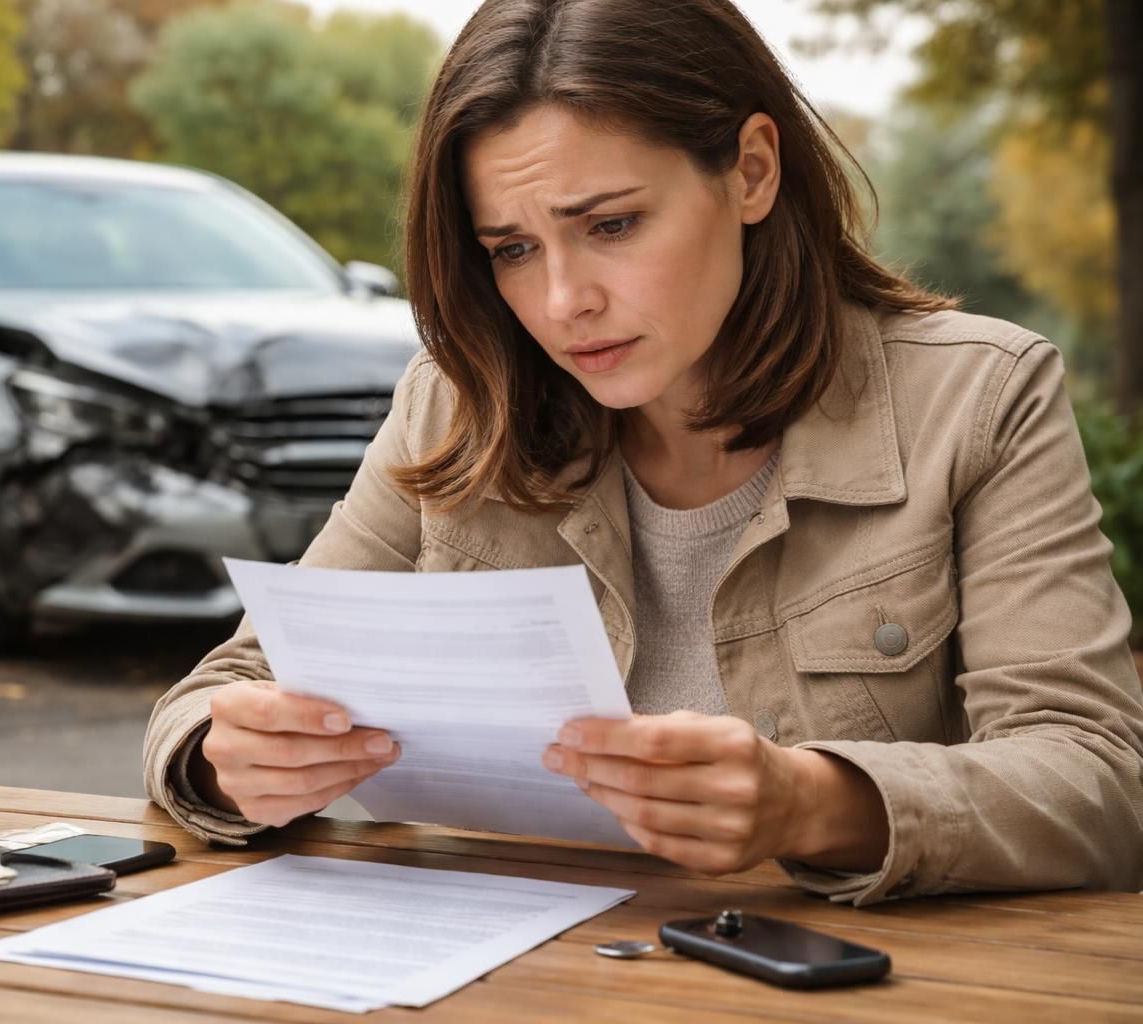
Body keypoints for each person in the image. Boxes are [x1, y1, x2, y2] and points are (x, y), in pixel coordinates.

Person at [143, 0, 1143, 905]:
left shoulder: (980, 396)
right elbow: (226, 686)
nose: (562, 300)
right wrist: (226, 756)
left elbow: (1098, 777)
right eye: (513, 249)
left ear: (752, 170)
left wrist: (808, 803)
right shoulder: (454, 406)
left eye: (612, 224)